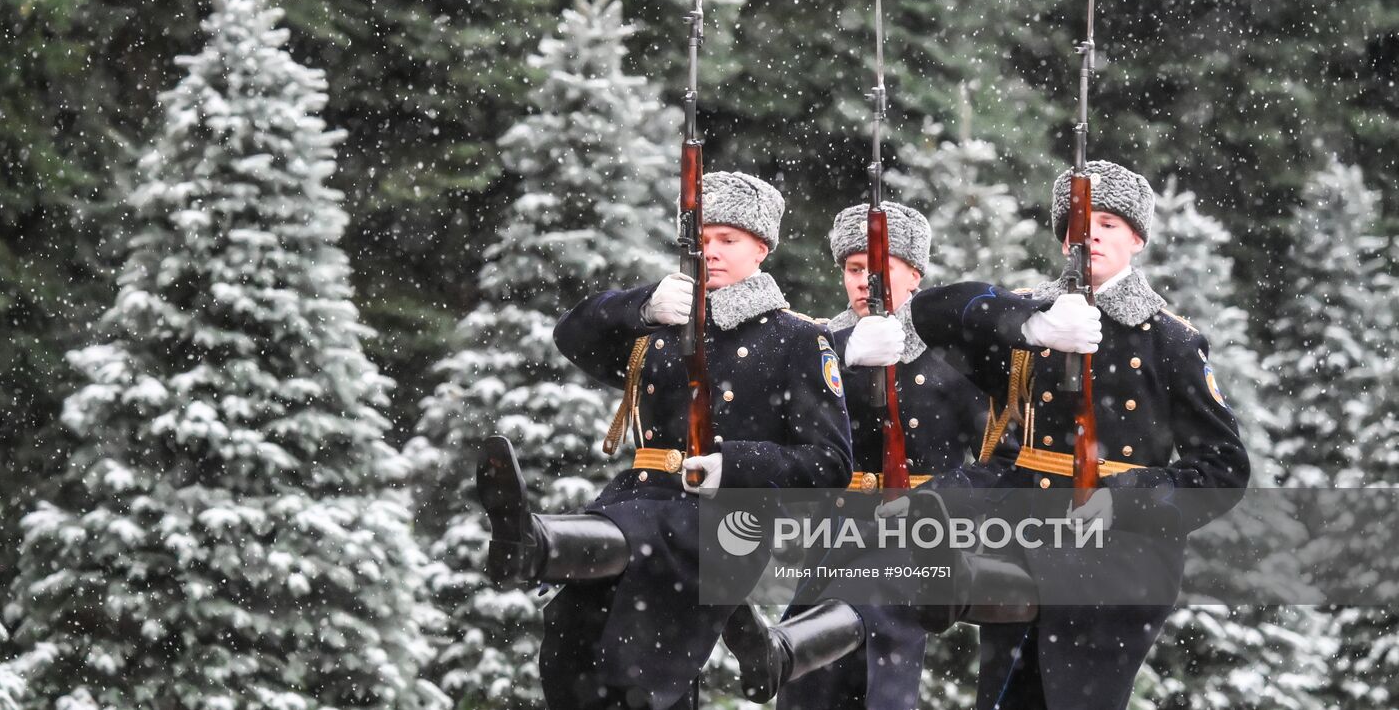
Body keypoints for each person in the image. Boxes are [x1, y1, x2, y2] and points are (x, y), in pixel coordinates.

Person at [476, 170, 855, 710]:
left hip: (723, 516)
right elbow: (572, 334)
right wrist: (641, 307)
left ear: (762, 249)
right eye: (702, 240)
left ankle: (539, 544)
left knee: (640, 659)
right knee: (577, 646)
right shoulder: (661, 329)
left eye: (728, 240)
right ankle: (536, 545)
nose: (712, 252)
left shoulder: (796, 338)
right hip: (641, 496)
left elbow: (830, 462)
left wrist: (731, 463)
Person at [724, 203, 1106, 706]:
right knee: (814, 686)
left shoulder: (953, 358)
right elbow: (779, 437)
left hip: (921, 533)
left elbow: (1004, 461)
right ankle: (785, 654)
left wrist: (936, 502)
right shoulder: (816, 348)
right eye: (854, 269)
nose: (865, 281)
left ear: (915, 276)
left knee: (880, 631)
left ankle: (785, 650)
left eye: (880, 268)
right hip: (835, 528)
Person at [965, 160, 1251, 710]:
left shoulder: (1169, 340)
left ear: (1137, 239)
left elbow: (1223, 470)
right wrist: (1032, 321)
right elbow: (939, 321)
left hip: (1119, 563)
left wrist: (1122, 499)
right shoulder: (1029, 320)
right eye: (1080, 224)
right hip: (1021, 546)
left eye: (1109, 223)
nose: (1091, 235)